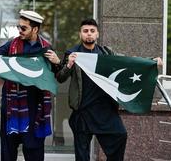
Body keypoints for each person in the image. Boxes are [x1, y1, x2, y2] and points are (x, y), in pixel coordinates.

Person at [55, 18, 163, 161]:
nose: (89, 34)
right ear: (80, 34)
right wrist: (69, 64)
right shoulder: (73, 53)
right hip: (83, 111)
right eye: (85, 31)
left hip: (105, 109)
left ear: (97, 34)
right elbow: (60, 77)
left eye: (92, 31)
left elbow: (129, 62)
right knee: (82, 155)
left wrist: (150, 61)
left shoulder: (106, 53)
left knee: (120, 135)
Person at [0, 10, 61, 161]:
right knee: (8, 151)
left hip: (35, 109)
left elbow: (58, 76)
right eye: (18, 27)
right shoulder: (12, 45)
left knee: (34, 153)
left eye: (24, 28)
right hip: (11, 108)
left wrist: (57, 63)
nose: (19, 31)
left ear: (35, 29)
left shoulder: (46, 49)